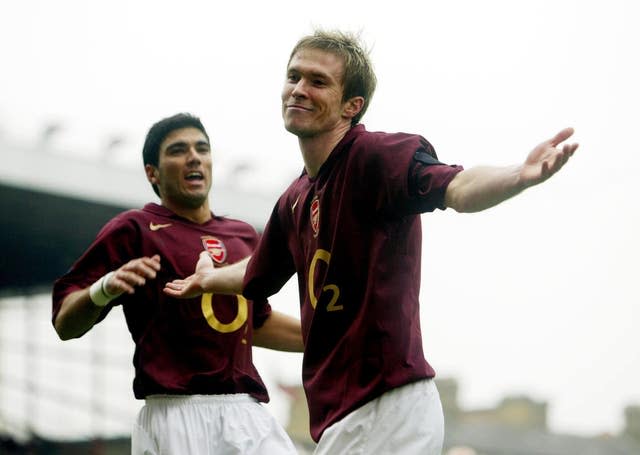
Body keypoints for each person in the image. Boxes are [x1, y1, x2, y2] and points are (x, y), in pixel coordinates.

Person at [164, 30, 579, 454]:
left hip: (389, 403)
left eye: (318, 81)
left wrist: (518, 175)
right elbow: (256, 272)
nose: (299, 90)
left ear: (352, 105)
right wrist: (209, 279)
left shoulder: (378, 157)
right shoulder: (293, 199)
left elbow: (457, 185)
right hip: (340, 418)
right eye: (294, 77)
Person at [52, 113, 303, 455]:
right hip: (174, 414)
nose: (194, 157)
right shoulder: (134, 229)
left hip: (246, 412)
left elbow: (254, 324)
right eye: (178, 150)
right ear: (152, 173)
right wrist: (104, 288)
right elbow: (65, 323)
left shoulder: (244, 235)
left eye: (202, 148)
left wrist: (336, 338)